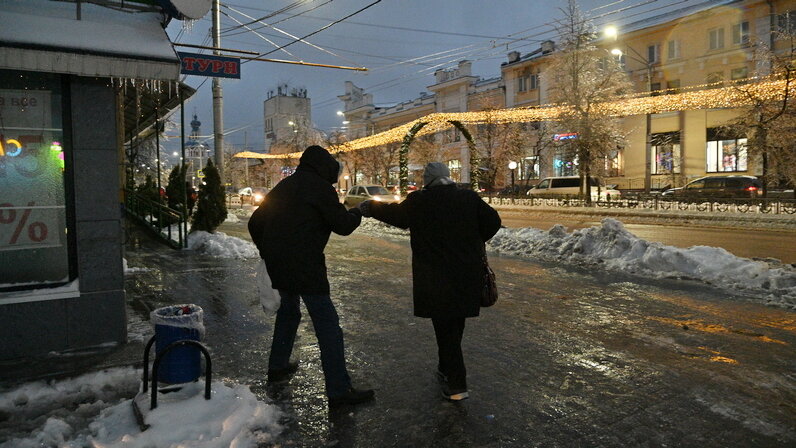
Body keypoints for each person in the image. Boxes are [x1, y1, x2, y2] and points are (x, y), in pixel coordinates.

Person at [359, 162, 501, 401]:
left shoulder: (420, 201)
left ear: (428, 180)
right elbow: (492, 222)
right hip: (466, 273)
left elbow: (396, 215)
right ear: (447, 178)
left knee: (445, 326)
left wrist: (370, 207)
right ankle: (446, 369)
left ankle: (457, 385)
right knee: (454, 324)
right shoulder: (468, 198)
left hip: (435, 275)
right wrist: (471, 242)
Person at [248, 145, 375, 408]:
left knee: (288, 314)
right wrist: (357, 211)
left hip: (280, 266)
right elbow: (343, 226)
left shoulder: (285, 185)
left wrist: (268, 251)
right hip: (307, 268)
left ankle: (278, 367)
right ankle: (339, 390)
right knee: (327, 326)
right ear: (326, 168)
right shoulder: (320, 188)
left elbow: (254, 222)